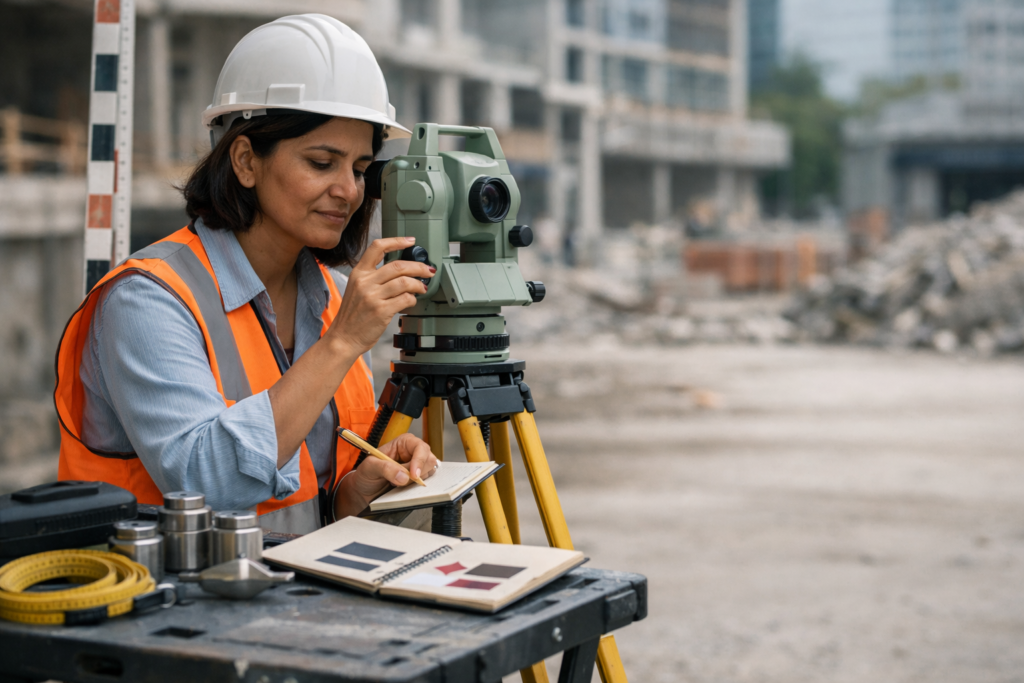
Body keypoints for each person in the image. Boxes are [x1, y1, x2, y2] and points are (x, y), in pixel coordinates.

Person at [55, 14, 438, 534]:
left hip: (295, 602)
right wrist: (343, 341)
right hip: (176, 604)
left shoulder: (333, 297)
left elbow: (302, 499)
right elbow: (204, 481)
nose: (348, 190)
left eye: (359, 167)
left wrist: (354, 490)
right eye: (322, 162)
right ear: (245, 160)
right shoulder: (149, 300)